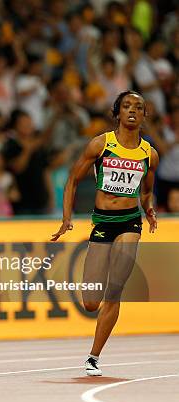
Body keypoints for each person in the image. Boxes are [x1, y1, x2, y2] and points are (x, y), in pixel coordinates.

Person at [52, 91, 158, 376]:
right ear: (118, 113)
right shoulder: (101, 144)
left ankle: (93, 356)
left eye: (138, 107)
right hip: (102, 222)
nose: (132, 111)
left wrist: (148, 209)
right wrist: (66, 218)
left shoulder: (149, 153)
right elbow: (73, 180)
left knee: (115, 290)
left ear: (144, 116)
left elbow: (147, 189)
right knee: (90, 302)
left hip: (129, 223)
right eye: (126, 106)